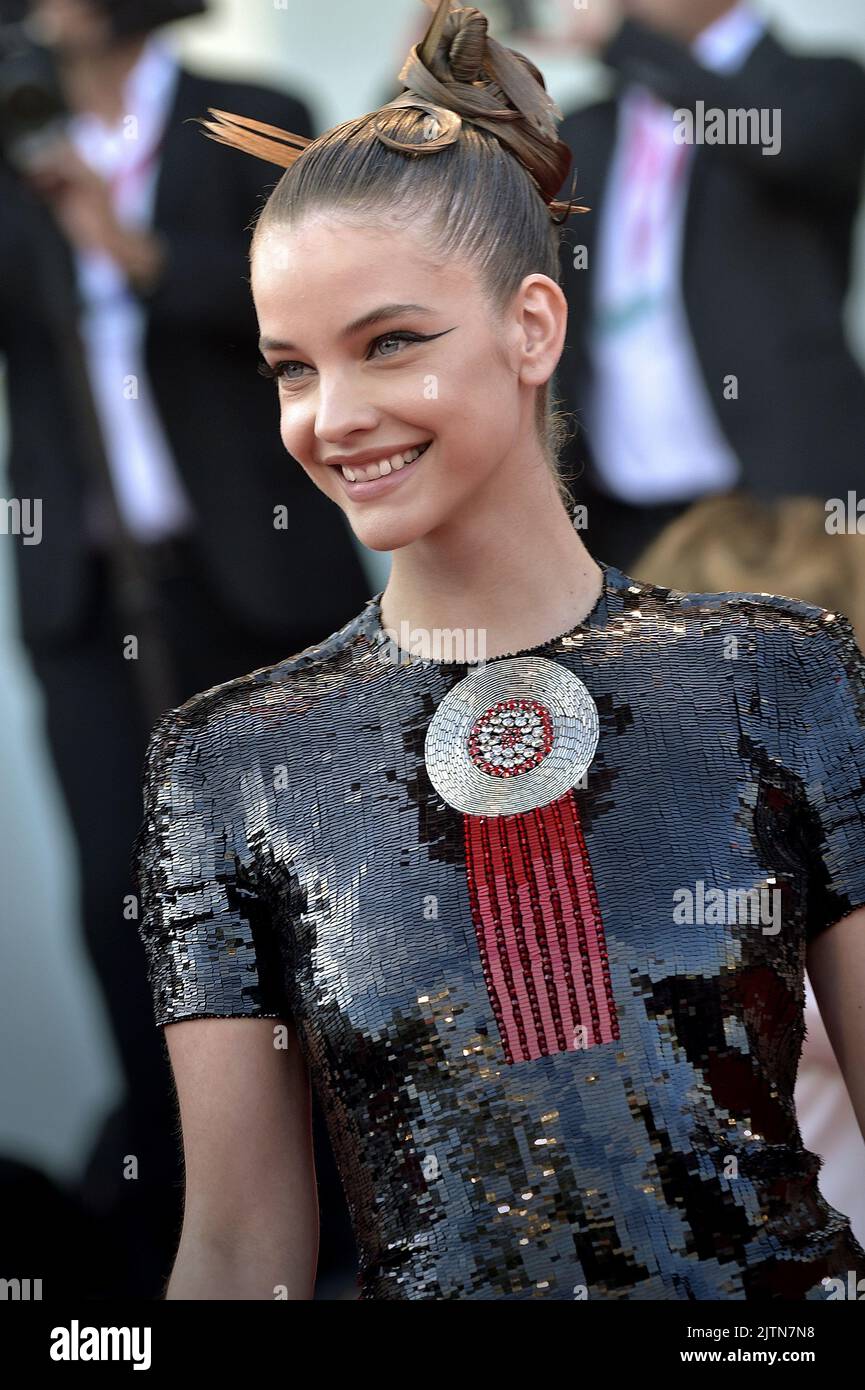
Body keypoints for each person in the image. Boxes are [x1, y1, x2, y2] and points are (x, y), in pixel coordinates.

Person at [132, 0, 865, 1300]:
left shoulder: (785, 672)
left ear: (534, 326)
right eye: (291, 367)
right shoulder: (227, 761)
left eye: (391, 342)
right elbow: (240, 1255)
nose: (332, 416)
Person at [0, 0, 368, 1296]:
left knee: (309, 885)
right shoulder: (12, 137)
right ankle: (189, 1222)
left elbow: (317, 295)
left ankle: (352, 1201)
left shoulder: (249, 123)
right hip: (91, 599)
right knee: (126, 903)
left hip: (252, 581)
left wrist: (130, 246)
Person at [552, 0, 865, 570]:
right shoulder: (588, 125)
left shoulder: (819, 81)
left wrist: (627, 44)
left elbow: (789, 146)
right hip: (620, 508)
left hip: (784, 505)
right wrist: (439, 75)